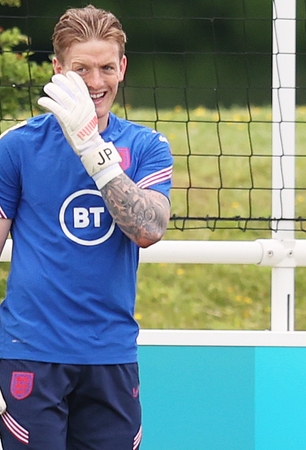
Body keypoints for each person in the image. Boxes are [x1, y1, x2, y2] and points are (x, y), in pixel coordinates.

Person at [0, 5, 172, 449]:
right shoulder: (17, 147)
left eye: (106, 68)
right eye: (82, 69)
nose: (96, 82)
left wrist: (92, 147)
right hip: (29, 353)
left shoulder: (147, 146)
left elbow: (149, 229)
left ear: (122, 68)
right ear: (58, 71)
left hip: (110, 354)